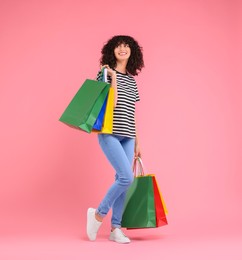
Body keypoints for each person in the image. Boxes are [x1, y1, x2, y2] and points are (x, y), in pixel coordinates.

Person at [86, 35, 144, 244]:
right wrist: (114, 77)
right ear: (112, 51)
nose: (122, 49)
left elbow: (131, 112)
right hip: (109, 133)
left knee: (123, 181)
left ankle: (115, 228)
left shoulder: (133, 80)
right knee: (126, 177)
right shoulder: (104, 74)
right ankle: (98, 215)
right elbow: (113, 103)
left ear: (132, 52)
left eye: (127, 46)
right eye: (119, 46)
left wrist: (138, 140)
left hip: (128, 135)